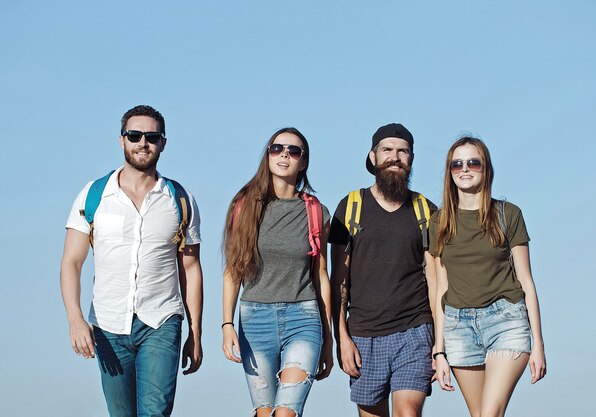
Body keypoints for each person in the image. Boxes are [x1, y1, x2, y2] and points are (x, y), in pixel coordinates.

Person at [60, 105, 204, 417]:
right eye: (134, 135)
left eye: (152, 136)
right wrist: (74, 319)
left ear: (163, 143)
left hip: (161, 322)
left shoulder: (181, 200)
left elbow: (190, 269)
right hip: (108, 325)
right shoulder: (93, 195)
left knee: (154, 413)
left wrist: (196, 332)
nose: (143, 143)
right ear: (122, 140)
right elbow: (72, 261)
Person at [429, 136, 546, 417]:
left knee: (489, 414)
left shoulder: (508, 214)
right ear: (449, 172)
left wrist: (538, 343)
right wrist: (439, 351)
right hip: (458, 328)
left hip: (506, 321)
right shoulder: (439, 222)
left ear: (486, 168)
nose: (465, 169)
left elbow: (526, 281)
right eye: (457, 164)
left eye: (473, 162)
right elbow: (440, 290)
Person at [221, 127, 333, 417]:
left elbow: (322, 276)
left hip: (304, 318)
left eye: (293, 150)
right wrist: (226, 325)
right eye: (277, 148)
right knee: (264, 412)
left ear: (303, 161)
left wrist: (329, 339)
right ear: (268, 156)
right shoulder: (244, 206)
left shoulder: (316, 211)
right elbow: (233, 271)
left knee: (286, 413)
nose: (284, 154)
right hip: (255, 319)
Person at [329, 123, 438, 417]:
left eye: (403, 151)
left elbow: (438, 280)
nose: (395, 156)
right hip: (364, 335)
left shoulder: (426, 211)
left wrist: (440, 344)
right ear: (373, 157)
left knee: (408, 413)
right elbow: (338, 280)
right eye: (387, 150)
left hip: (415, 330)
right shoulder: (350, 206)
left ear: (411, 159)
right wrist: (342, 339)